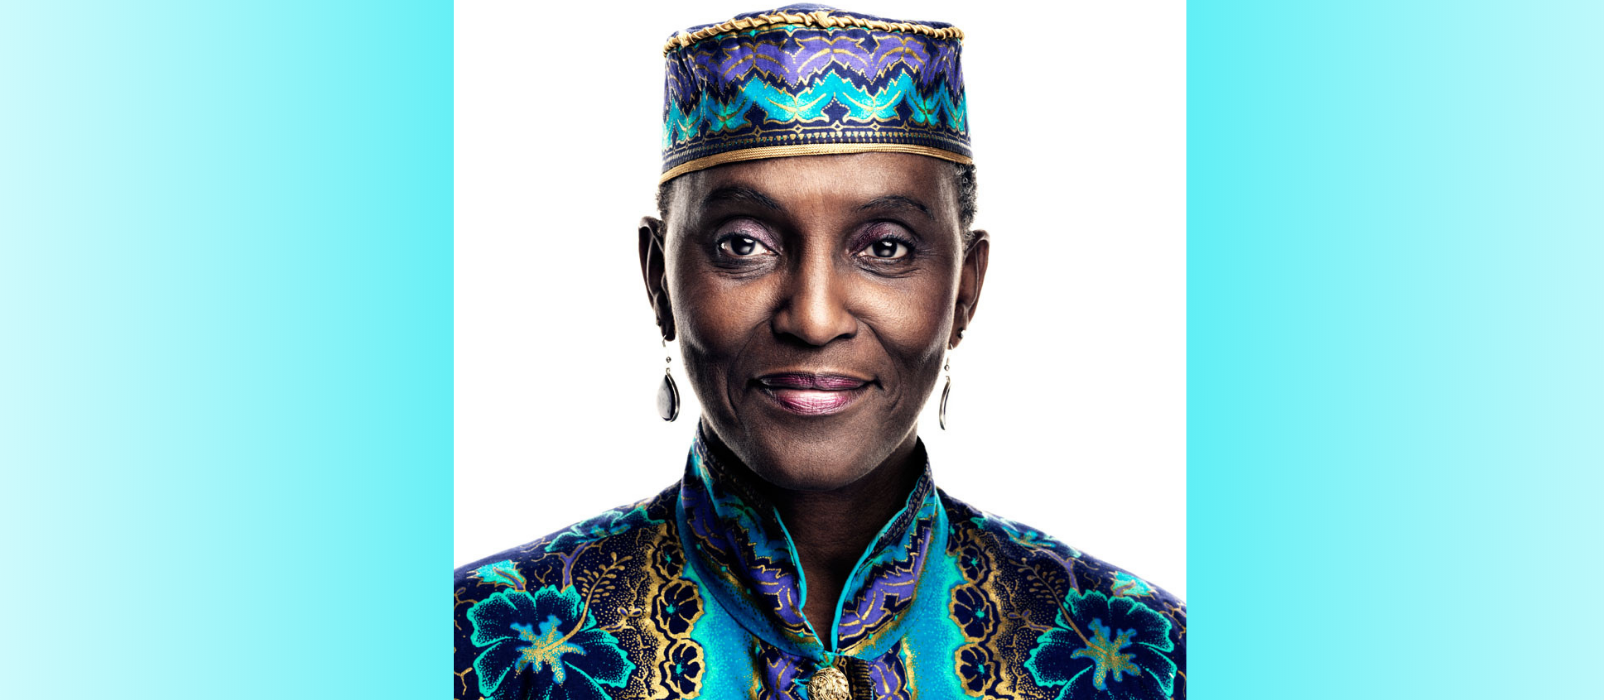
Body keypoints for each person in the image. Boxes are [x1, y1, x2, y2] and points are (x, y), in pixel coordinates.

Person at [454, 6, 1185, 699]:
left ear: (966, 289)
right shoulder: (473, 649)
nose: (813, 317)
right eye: (743, 245)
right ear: (659, 281)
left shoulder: (1152, 658)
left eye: (886, 248)